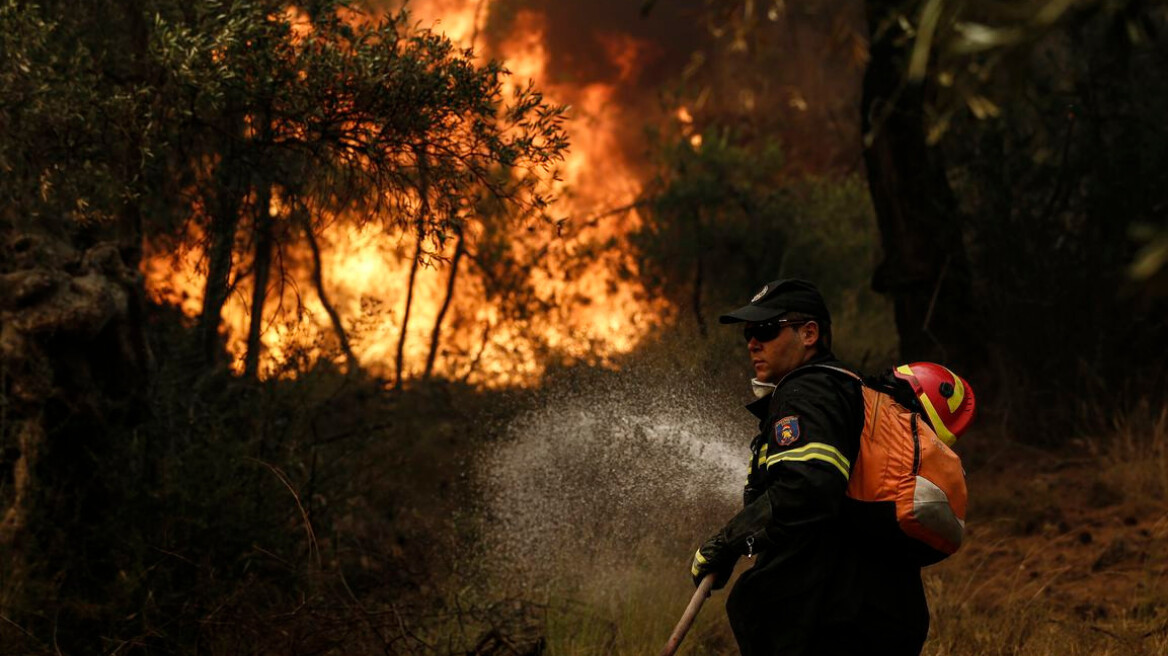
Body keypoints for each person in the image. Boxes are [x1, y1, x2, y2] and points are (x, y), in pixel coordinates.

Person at [690, 278, 929, 656]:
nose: (753, 342)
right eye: (749, 333)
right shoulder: (844, 389)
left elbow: (807, 488)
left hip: (835, 619)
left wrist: (727, 542)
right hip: (871, 611)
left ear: (809, 333)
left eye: (767, 330)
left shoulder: (808, 390)